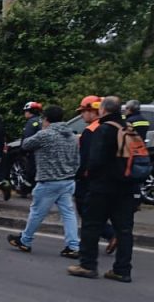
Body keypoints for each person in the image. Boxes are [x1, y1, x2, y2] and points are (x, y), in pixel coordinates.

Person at [68, 96, 135, 282]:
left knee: (91, 225)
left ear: (103, 110)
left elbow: (94, 161)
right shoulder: (128, 128)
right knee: (124, 230)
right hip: (126, 187)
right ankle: (122, 270)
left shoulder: (103, 129)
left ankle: (87, 265)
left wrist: (88, 178)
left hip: (103, 187)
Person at [7, 105, 80, 257]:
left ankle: (25, 240)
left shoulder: (45, 135)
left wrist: (40, 130)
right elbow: (76, 160)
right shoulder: (72, 136)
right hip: (68, 180)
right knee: (68, 213)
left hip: (48, 181)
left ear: (46, 119)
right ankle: (73, 245)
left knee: (37, 212)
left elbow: (26, 144)